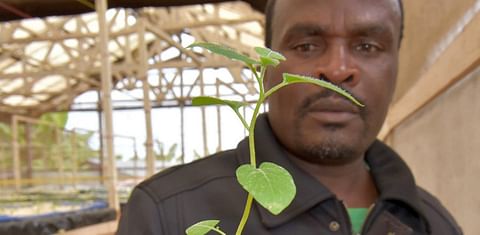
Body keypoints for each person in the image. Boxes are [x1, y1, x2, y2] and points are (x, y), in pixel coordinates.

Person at [117, 0, 463, 234]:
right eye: (307, 46)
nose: (338, 69)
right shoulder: (167, 214)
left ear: (396, 68)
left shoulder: (435, 223)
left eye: (367, 46)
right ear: (267, 68)